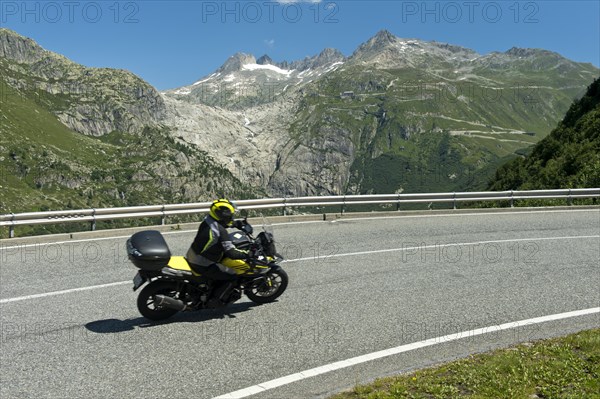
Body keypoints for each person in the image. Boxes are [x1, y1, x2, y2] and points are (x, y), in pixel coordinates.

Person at [186, 198, 252, 308]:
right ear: (223, 215)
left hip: (193, 254)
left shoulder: (209, 220)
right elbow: (232, 253)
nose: (231, 216)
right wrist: (247, 254)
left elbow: (221, 224)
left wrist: (236, 224)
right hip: (203, 263)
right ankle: (215, 300)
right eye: (229, 215)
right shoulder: (221, 232)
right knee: (232, 275)